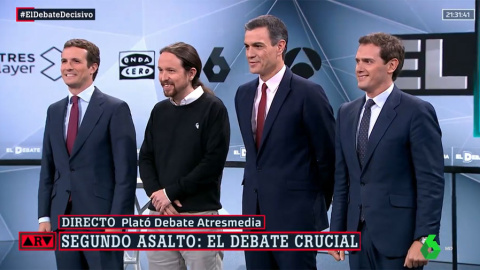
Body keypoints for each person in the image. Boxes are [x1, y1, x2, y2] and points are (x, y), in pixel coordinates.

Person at [328, 32, 445, 269]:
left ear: (392, 65)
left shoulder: (417, 111)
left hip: (401, 241)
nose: (359, 68)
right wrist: (336, 231)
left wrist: (426, 241)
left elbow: (431, 183)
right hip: (356, 238)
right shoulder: (346, 112)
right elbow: (343, 180)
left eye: (368, 61)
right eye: (357, 61)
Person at [235, 15, 335, 269]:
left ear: (280, 47)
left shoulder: (308, 94)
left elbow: (328, 157)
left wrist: (311, 208)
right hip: (253, 218)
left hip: (296, 219)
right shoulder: (243, 94)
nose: (250, 53)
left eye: (258, 46)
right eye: (247, 46)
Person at [37, 39, 138, 269]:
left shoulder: (115, 109)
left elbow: (126, 173)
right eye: (63, 61)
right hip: (62, 218)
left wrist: (118, 221)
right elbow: (48, 168)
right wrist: (44, 216)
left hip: (102, 220)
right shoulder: (54, 111)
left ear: (93, 67)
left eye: (75, 61)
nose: (67, 66)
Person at [139, 42, 230, 270]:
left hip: (199, 216)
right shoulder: (159, 111)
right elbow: (146, 157)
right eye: (160, 70)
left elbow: (211, 164)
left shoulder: (213, 108)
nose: (163, 77)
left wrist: (171, 193)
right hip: (159, 216)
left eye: (170, 71)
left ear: (191, 73)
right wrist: (157, 196)